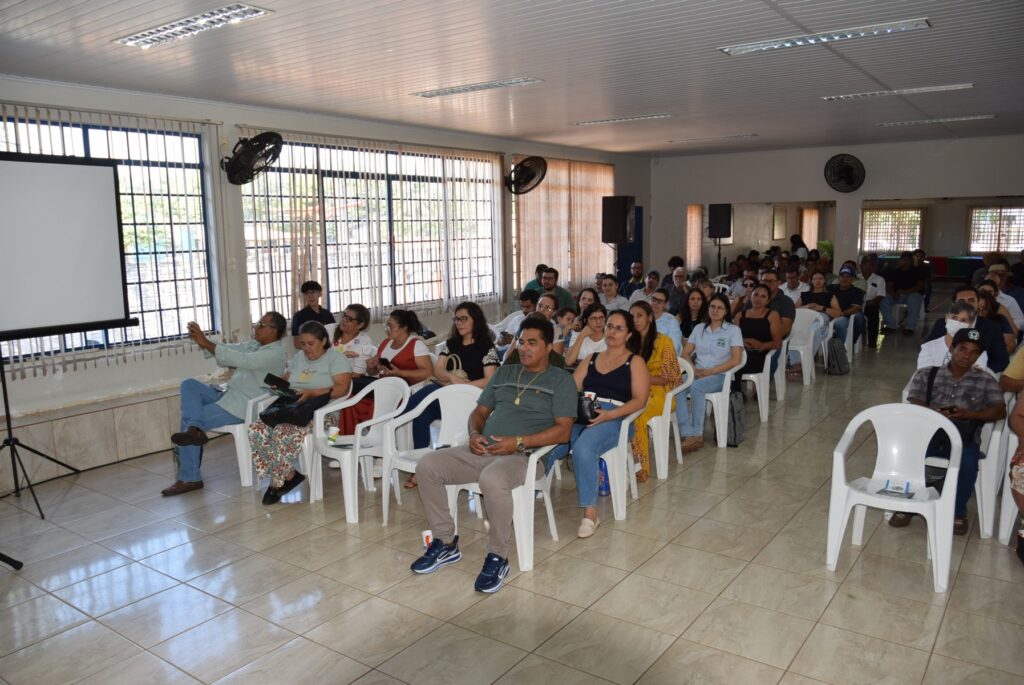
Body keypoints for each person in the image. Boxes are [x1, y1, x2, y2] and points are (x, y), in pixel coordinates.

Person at [410, 317, 576, 593]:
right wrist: (474, 434)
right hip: (483, 449)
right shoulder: (505, 373)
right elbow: (479, 413)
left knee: (492, 478)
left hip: (526, 457)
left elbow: (564, 432)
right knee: (428, 465)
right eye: (521, 342)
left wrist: (519, 442)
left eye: (532, 343)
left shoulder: (561, 380)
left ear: (548, 347)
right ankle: (445, 543)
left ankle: (497, 556)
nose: (524, 348)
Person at [163, 312, 288, 496]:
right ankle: (194, 430)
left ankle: (190, 477)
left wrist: (206, 342)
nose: (256, 327)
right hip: (226, 392)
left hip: (242, 405)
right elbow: (230, 349)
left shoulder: (275, 353)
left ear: (274, 331)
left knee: (190, 419)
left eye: (261, 325)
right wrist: (203, 342)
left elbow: (241, 360)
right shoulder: (255, 345)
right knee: (189, 384)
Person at [551, 310, 650, 536]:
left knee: (584, 448)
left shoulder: (634, 362)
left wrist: (608, 415)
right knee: (556, 438)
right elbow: (571, 387)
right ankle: (532, 486)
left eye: (619, 328)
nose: (612, 332)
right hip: (587, 411)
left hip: (618, 417)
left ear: (628, 334)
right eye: (609, 326)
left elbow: (640, 401)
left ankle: (590, 513)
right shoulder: (592, 358)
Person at [897, 329, 1005, 535]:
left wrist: (970, 414)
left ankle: (957, 510)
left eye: (974, 352)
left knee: (968, 462)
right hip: (930, 433)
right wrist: (937, 414)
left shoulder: (985, 380)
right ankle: (909, 503)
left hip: (963, 436)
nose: (967, 355)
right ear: (952, 348)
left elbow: (1000, 410)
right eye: (962, 349)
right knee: (910, 455)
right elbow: (915, 400)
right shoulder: (928, 374)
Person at [248, 321, 352, 504]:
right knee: (256, 429)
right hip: (293, 405)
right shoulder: (298, 358)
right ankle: (289, 474)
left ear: (323, 340)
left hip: (323, 410)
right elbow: (289, 381)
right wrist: (279, 386)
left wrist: (314, 393)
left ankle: (276, 483)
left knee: (283, 432)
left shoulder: (335, 358)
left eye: (310, 343)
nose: (306, 348)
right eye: (302, 344)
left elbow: (342, 389)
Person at [408, 302, 499, 449]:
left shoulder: (485, 347)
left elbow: (489, 380)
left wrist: (463, 386)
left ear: (475, 320)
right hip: (449, 396)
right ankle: (420, 460)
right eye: (456, 319)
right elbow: (437, 370)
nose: (459, 323)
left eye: (464, 319)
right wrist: (452, 378)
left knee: (428, 393)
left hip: (473, 400)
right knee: (422, 413)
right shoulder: (451, 344)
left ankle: (399, 413)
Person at [675, 293, 743, 453]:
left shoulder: (733, 330)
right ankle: (687, 432)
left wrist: (711, 371)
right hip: (698, 372)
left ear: (726, 311)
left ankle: (697, 435)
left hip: (721, 375)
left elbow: (736, 360)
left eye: (720, 308)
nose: (715, 310)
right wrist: (693, 369)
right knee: (677, 384)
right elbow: (685, 353)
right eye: (712, 306)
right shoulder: (699, 328)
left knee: (697, 388)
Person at [629, 301, 682, 481]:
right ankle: (622, 461)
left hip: (660, 393)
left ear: (650, 318)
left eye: (639, 315)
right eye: (632, 316)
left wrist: (642, 378)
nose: (635, 320)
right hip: (634, 390)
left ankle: (640, 468)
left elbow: (669, 377)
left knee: (636, 414)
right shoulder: (629, 341)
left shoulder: (663, 342)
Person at [925, 286, 1009, 373]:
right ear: (954, 305)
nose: (967, 304)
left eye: (971, 300)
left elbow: (1002, 361)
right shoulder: (942, 323)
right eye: (961, 301)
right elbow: (929, 351)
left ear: (978, 303)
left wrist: (980, 371)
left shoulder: (992, 327)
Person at [733, 284, 782, 388]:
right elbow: (732, 339)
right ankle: (734, 392)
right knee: (729, 358)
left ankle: (735, 392)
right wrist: (744, 341)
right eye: (756, 295)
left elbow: (777, 343)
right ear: (751, 297)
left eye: (763, 296)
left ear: (768, 301)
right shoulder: (740, 315)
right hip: (742, 353)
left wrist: (761, 345)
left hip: (761, 356)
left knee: (735, 361)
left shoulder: (773, 315)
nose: (758, 299)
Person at [365, 309, 433, 385]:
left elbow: (427, 373)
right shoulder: (385, 343)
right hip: (386, 385)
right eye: (386, 326)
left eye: (390, 326)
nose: (387, 330)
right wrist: (371, 367)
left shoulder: (416, 345)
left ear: (404, 327)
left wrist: (399, 373)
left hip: (408, 388)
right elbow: (373, 372)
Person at [917, 303, 988, 370]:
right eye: (954, 318)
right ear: (946, 318)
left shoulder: (978, 352)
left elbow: (975, 379)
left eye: (963, 320)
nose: (957, 323)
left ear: (970, 325)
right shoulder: (928, 348)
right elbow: (924, 377)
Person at [880, 251, 925, 335]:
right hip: (896, 295)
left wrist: (905, 292)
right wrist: (893, 294)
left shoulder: (917, 271)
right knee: (883, 298)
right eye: (904, 260)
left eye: (908, 260)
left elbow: (920, 286)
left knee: (914, 298)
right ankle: (890, 325)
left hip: (911, 294)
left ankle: (910, 327)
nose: (906, 262)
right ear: (900, 260)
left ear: (912, 261)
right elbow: (889, 285)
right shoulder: (895, 271)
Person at [331, 304, 374, 377]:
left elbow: (356, 375)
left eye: (349, 319)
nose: (343, 320)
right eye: (344, 315)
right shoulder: (330, 330)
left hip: (350, 381)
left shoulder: (365, 342)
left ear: (360, 325)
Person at [290, 281, 335, 347]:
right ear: (304, 296)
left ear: (320, 293)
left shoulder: (328, 314)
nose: (310, 296)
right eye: (306, 293)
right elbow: (297, 343)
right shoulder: (298, 316)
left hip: (328, 350)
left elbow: (335, 335)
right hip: (309, 353)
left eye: (313, 292)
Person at [829, 265, 866, 345]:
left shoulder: (857, 291)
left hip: (846, 317)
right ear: (838, 277)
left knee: (841, 322)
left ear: (852, 279)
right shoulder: (831, 288)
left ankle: (845, 346)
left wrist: (841, 314)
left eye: (848, 277)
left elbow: (856, 308)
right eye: (842, 276)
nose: (844, 279)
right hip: (830, 315)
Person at [975, 289, 1016, 355]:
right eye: (977, 309)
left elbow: (1010, 346)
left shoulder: (1000, 319)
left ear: (990, 308)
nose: (981, 312)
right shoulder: (966, 320)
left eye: (985, 308)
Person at [859, 256, 886, 348]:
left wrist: (871, 302)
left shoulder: (879, 279)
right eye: (866, 265)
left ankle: (872, 340)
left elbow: (881, 295)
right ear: (861, 266)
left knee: (873, 310)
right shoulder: (856, 278)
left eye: (871, 265)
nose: (869, 267)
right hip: (857, 304)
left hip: (870, 304)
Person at [650, 287, 682, 355]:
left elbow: (674, 347)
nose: (655, 303)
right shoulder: (643, 316)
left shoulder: (672, 321)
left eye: (659, 301)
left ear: (665, 304)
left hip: (661, 358)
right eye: (653, 299)